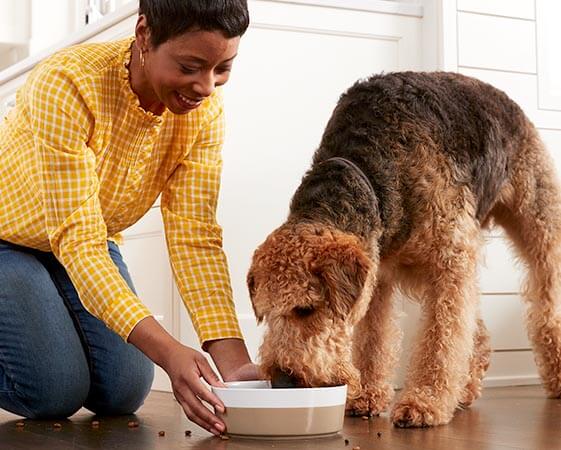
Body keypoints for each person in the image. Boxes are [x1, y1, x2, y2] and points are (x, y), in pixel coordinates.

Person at [0, 0, 257, 436]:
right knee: (52, 391)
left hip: (88, 242)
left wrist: (236, 365)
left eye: (222, 69)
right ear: (144, 34)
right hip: (9, 239)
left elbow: (195, 234)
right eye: (191, 66)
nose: (206, 87)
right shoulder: (66, 83)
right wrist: (170, 351)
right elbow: (77, 243)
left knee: (124, 389)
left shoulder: (205, 113)